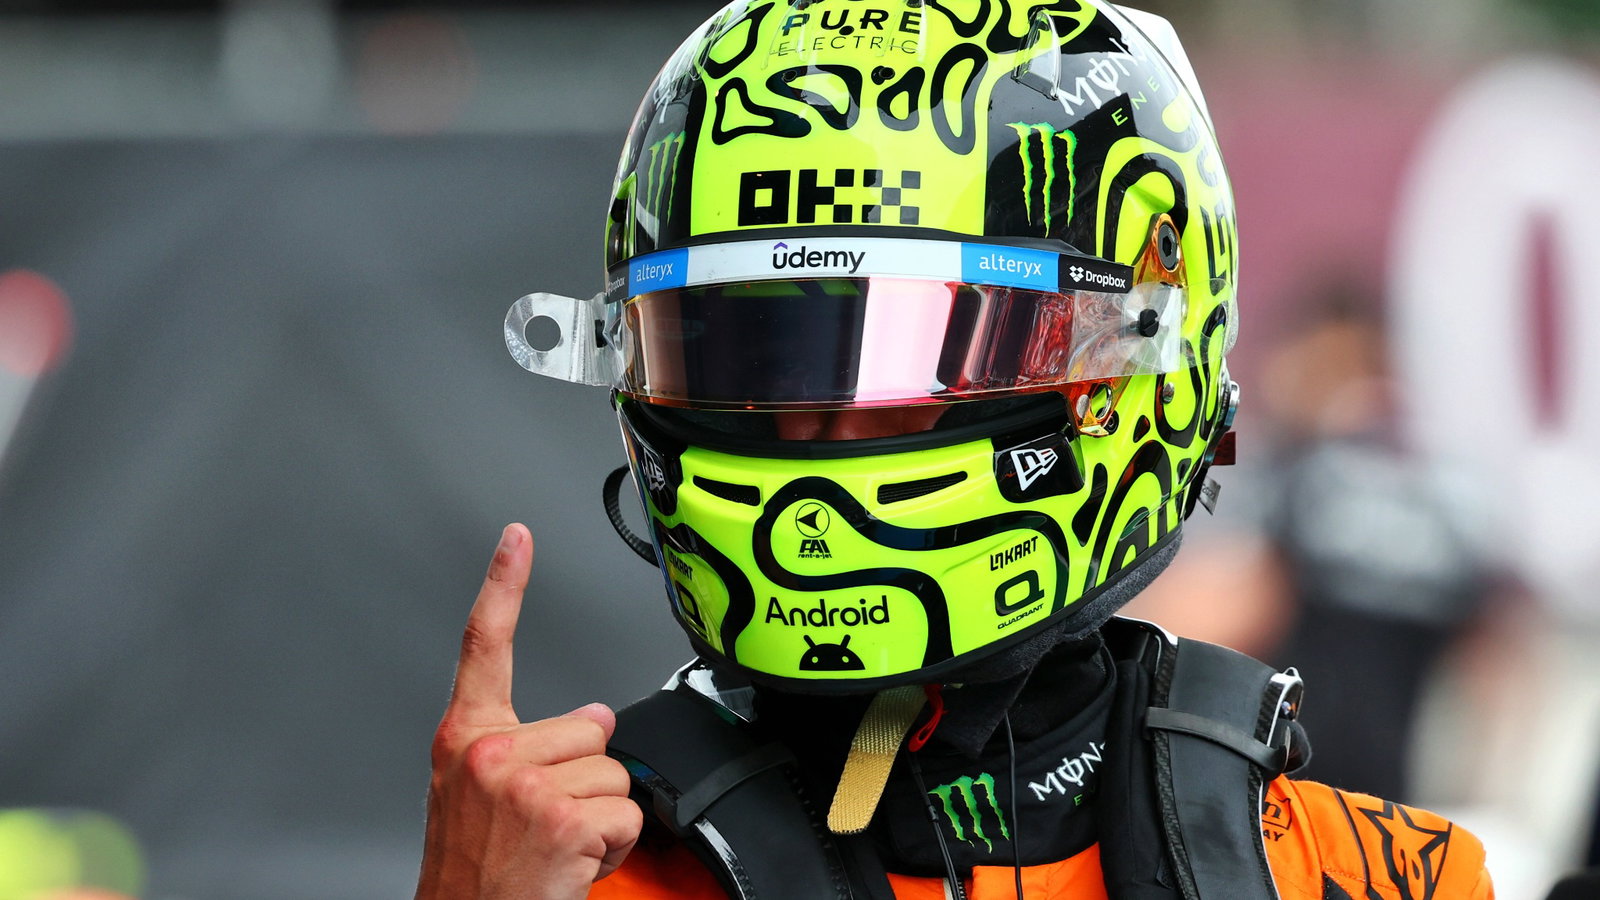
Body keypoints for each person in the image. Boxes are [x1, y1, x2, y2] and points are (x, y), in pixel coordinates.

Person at [416, 2, 1495, 898]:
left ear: (1119, 374)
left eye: (915, 369)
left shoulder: (1379, 876)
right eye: (748, 363)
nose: (817, 439)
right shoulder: (563, 873)